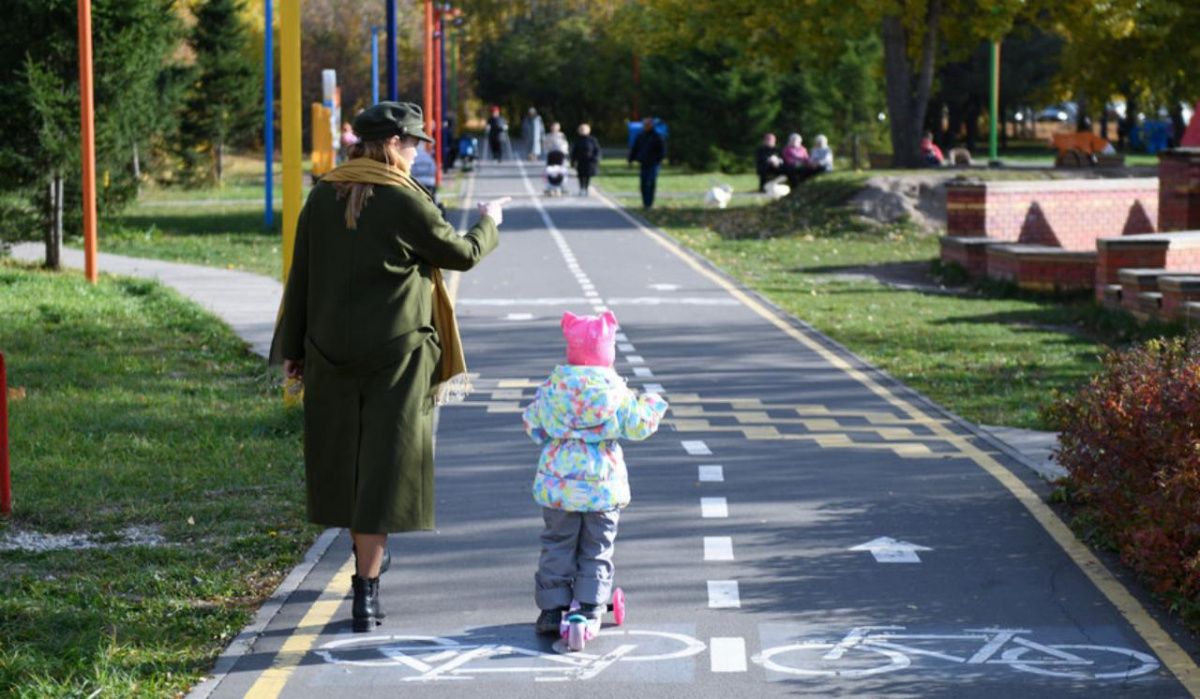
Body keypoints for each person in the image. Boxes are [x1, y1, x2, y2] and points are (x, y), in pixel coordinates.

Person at [275, 101, 509, 633]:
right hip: (398, 358)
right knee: (383, 470)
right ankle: (366, 592)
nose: (417, 154)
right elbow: (461, 254)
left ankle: (365, 570)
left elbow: (301, 275)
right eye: (414, 144)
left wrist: (294, 349)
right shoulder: (405, 200)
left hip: (328, 353)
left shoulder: (322, 195)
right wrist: (489, 222)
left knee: (346, 464)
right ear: (394, 144)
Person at [522, 310, 668, 639]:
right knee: (597, 545)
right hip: (602, 488)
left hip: (559, 487)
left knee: (557, 543)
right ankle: (590, 603)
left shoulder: (554, 387)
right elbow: (637, 426)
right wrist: (653, 405)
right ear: (608, 352)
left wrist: (553, 435)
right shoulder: (615, 391)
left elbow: (533, 425)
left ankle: (552, 608)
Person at [628, 117, 665, 209]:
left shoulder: (657, 136)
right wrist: (631, 159)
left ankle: (649, 203)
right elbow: (635, 148)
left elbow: (662, 150)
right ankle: (645, 203)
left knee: (650, 182)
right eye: (645, 125)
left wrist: (659, 160)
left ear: (651, 125)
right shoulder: (641, 136)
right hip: (643, 163)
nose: (645, 126)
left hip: (653, 163)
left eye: (647, 125)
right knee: (643, 183)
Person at [570, 123, 601, 196]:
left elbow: (597, 150)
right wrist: (573, 161)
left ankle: (586, 188)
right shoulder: (577, 140)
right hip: (580, 161)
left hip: (589, 161)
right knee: (581, 175)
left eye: (584, 130)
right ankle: (581, 188)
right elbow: (574, 152)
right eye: (581, 130)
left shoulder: (592, 140)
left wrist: (596, 158)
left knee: (588, 175)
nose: (583, 131)